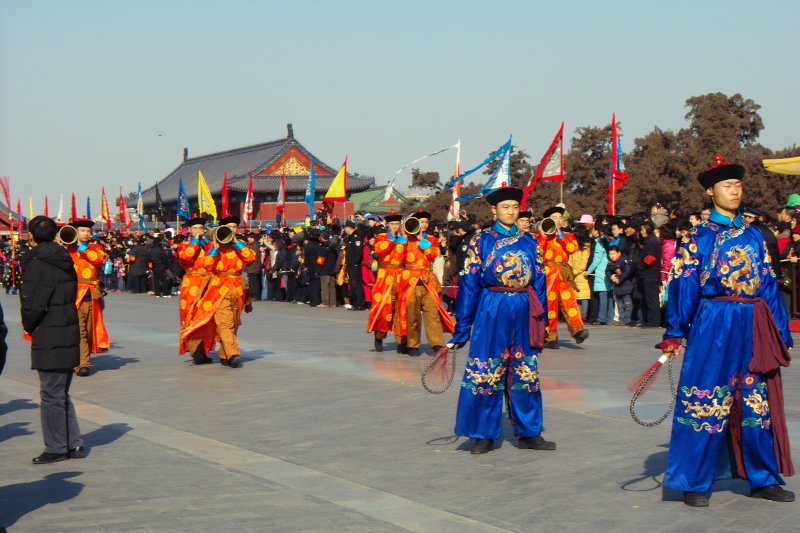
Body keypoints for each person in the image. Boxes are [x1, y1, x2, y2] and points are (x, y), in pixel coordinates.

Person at [659, 157, 794, 507]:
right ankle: (694, 481)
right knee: (705, 398)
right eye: (726, 186)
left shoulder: (754, 235)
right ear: (710, 192)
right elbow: (684, 286)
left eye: (738, 185)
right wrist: (675, 331)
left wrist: (781, 334)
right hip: (713, 321)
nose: (734, 191)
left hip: (753, 321)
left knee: (756, 402)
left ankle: (762, 478)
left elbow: (768, 287)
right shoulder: (698, 237)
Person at [451, 186, 552, 454]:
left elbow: (540, 281)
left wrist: (541, 317)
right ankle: (483, 433)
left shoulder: (530, 241)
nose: (510, 211)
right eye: (505, 207)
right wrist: (462, 326)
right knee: (486, 368)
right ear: (493, 210)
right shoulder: (481, 240)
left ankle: (529, 431)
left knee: (525, 369)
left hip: (522, 306)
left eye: (514, 207)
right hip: (491, 306)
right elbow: (470, 284)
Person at [21, 216, 84, 464]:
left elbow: (34, 303)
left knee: (50, 393)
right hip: (66, 327)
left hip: (50, 331)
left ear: (32, 235)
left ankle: (57, 447)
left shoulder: (38, 263)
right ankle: (74, 443)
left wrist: (29, 323)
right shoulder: (64, 258)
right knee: (60, 391)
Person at [181, 216, 256, 368]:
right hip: (211, 286)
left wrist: (235, 241)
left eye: (234, 227)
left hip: (236, 287)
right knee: (200, 318)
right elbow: (202, 263)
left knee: (233, 322)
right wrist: (212, 246)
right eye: (194, 228)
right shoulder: (194, 246)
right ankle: (223, 353)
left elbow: (250, 258)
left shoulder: (240, 246)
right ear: (189, 230)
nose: (232, 230)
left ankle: (224, 354)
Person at [395, 210, 455, 356]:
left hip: (427, 280)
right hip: (409, 281)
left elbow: (433, 254)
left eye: (426, 222)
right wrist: (403, 239)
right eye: (421, 222)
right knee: (412, 314)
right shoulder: (405, 240)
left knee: (432, 313)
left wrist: (422, 241)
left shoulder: (431, 240)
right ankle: (412, 344)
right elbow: (397, 257)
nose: (424, 225)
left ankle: (436, 344)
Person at [535, 206, 589, 348]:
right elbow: (539, 251)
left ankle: (578, 330)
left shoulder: (567, 235)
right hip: (548, 272)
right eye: (554, 218)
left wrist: (560, 235)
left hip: (563, 271)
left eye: (560, 218)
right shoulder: (540, 237)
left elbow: (572, 249)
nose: (558, 220)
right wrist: (544, 235)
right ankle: (551, 335)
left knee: (569, 301)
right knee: (550, 304)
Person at [63, 219, 109, 376]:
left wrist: (81, 246)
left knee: (89, 330)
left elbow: (98, 259)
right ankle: (83, 364)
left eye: (88, 231)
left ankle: (82, 358)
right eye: (83, 231)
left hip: (91, 294)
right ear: (76, 232)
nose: (87, 233)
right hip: (73, 294)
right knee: (79, 331)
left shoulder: (96, 248)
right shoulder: (67, 249)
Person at [175, 217, 216, 365]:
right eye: (195, 228)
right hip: (191, 283)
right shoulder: (184, 246)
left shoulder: (209, 245)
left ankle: (204, 349)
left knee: (207, 317)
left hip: (208, 283)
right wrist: (195, 241)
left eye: (200, 228)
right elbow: (186, 258)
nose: (199, 231)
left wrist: (206, 243)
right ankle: (195, 351)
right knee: (191, 316)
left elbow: (215, 257)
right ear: (190, 231)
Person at [366, 212, 405, 352]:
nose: (395, 226)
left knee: (401, 308)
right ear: (387, 225)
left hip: (400, 275)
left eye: (397, 224)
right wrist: (392, 239)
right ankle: (379, 336)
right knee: (383, 307)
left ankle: (401, 341)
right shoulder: (381, 238)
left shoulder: (404, 239)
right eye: (392, 224)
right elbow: (379, 251)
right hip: (385, 275)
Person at [637, 221, 661, 328]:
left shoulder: (651, 241)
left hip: (650, 274)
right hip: (648, 274)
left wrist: (641, 265)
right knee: (648, 297)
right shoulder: (650, 240)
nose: (641, 232)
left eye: (642, 229)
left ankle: (653, 321)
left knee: (651, 298)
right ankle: (649, 320)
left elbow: (651, 258)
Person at [343, 220, 366, 310]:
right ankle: (355, 303)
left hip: (355, 265)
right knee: (352, 284)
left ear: (349, 228)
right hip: (350, 265)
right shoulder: (350, 238)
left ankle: (361, 303)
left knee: (357, 284)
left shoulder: (356, 238)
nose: (344, 229)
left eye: (345, 227)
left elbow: (358, 253)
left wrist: (355, 263)